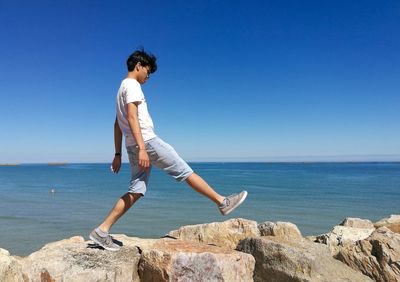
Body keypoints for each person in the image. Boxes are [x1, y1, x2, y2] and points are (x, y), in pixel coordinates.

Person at [89, 49, 247, 251]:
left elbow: (116, 125)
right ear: (138, 66)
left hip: (131, 146)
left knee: (136, 190)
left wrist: (118, 154)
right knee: (184, 171)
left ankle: (102, 231)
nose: (148, 76)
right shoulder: (133, 85)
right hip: (147, 142)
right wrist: (143, 148)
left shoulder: (121, 89)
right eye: (148, 70)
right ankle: (222, 202)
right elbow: (131, 117)